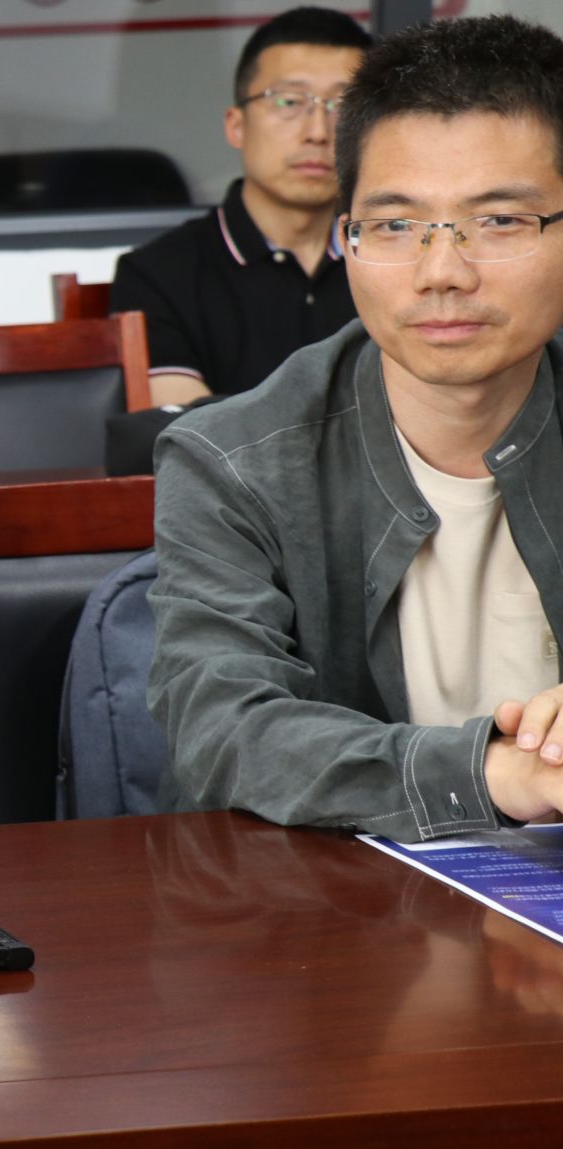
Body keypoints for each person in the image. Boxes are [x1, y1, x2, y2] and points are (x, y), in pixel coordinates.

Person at [149, 15, 563, 841]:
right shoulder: (231, 462)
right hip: (338, 905)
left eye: (499, 221)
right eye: (396, 225)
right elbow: (222, 728)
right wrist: (493, 774)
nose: (442, 272)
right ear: (348, 239)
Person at [111, 8, 371, 406]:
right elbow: (182, 430)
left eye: (343, 106)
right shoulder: (156, 275)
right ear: (236, 126)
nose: (318, 132)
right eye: (289, 101)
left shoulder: (394, 260)